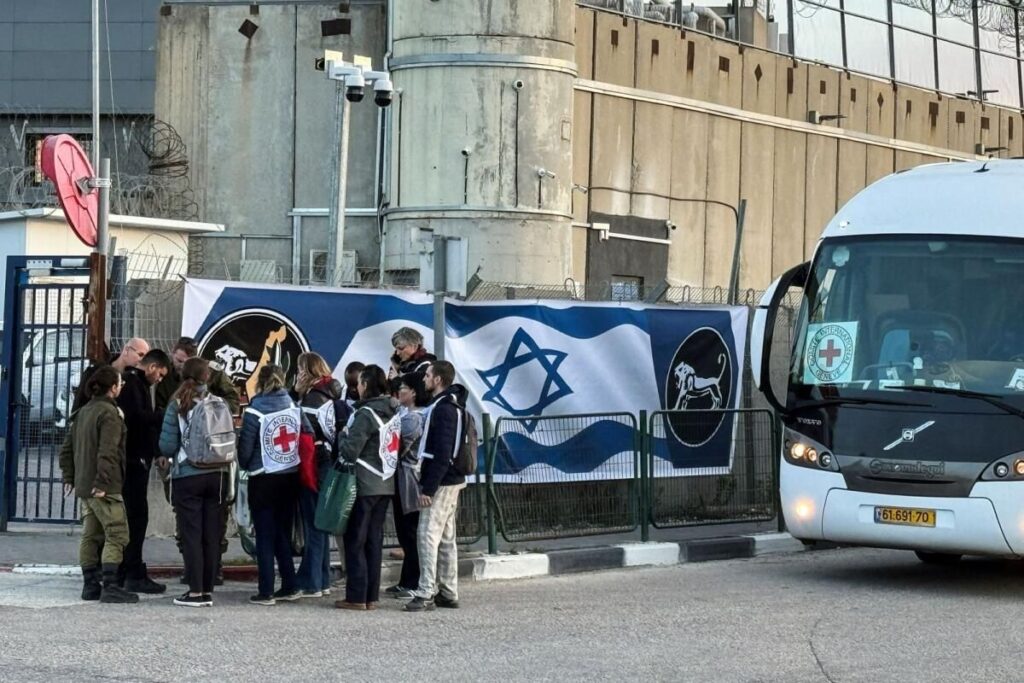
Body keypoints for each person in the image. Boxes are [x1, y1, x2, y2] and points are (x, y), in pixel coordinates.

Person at [155, 336, 241, 584]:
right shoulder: (168, 381)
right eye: (177, 360)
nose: (179, 365)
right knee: (207, 525)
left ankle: (200, 580)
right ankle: (205, 575)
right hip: (217, 470)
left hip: (189, 469)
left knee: (196, 526)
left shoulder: (185, 398)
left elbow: (167, 442)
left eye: (184, 362)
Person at [58, 365, 138, 604]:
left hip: (84, 485)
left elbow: (66, 449)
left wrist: (69, 477)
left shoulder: (83, 412)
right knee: (117, 533)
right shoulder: (109, 414)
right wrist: (103, 482)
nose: (121, 386)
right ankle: (110, 586)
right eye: (120, 383)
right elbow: (108, 451)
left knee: (90, 534)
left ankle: (89, 584)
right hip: (104, 486)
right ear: (113, 388)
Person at [238, 364, 313, 606]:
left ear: (260, 382)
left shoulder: (254, 410)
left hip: (263, 478)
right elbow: (308, 433)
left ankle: (266, 591)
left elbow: (245, 449)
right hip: (289, 476)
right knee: (282, 531)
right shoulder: (293, 406)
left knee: (264, 534)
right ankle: (290, 585)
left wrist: (247, 464)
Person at [334, 364, 398, 611]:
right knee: (373, 541)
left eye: (360, 382)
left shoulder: (366, 414)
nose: (357, 386)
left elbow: (350, 451)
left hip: (364, 484)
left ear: (366, 385)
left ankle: (356, 596)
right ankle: (371, 595)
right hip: (385, 483)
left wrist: (343, 434)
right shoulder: (392, 411)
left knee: (355, 540)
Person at [406, 360, 467, 613]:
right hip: (450, 480)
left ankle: (425, 592)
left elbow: (443, 453)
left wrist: (428, 488)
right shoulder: (450, 406)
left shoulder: (444, 409)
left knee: (427, 535)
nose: (424, 379)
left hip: (442, 482)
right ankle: (448, 591)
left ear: (438, 379)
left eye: (428, 375)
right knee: (446, 538)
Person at [116, 348, 171, 593]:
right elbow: (137, 419)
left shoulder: (138, 385)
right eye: (160, 374)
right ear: (151, 367)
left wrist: (156, 452)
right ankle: (132, 572)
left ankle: (126, 570)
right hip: (132, 461)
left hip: (138, 459)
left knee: (136, 517)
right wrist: (162, 416)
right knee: (136, 518)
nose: (159, 379)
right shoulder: (132, 385)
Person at [293, 352, 345, 599]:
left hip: (313, 463)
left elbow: (303, 431)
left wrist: (295, 395)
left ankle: (312, 581)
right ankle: (321, 579)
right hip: (328, 462)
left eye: (300, 369)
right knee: (320, 524)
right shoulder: (331, 394)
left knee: (313, 523)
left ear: (307, 371)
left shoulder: (311, 399)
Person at [384, 372, 428, 599]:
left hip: (409, 479)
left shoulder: (413, 419)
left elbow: (397, 447)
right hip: (403, 476)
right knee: (405, 531)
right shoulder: (404, 414)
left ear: (413, 392)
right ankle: (406, 580)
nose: (399, 392)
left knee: (409, 531)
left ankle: (413, 581)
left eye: (403, 388)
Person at [155, 337, 240, 415]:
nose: (182, 366)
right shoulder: (164, 375)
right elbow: (160, 411)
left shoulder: (212, 372)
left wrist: (212, 410)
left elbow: (233, 401)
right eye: (179, 361)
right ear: (172, 353)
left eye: (187, 363)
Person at [72, 337, 150, 413]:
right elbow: (78, 405)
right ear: (126, 350)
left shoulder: (137, 380)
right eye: (140, 355)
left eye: (145, 358)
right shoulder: (94, 372)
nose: (142, 360)